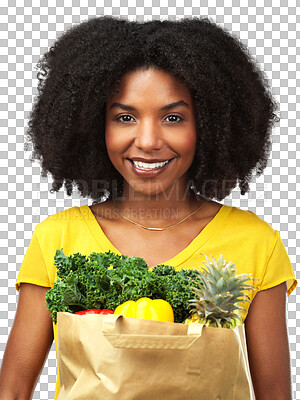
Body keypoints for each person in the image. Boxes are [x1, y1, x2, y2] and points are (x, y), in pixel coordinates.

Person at [0, 16, 297, 400]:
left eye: (173, 118)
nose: (148, 140)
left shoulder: (256, 242)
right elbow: (13, 391)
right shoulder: (56, 237)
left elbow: (274, 395)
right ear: (93, 126)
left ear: (208, 125)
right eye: (125, 117)